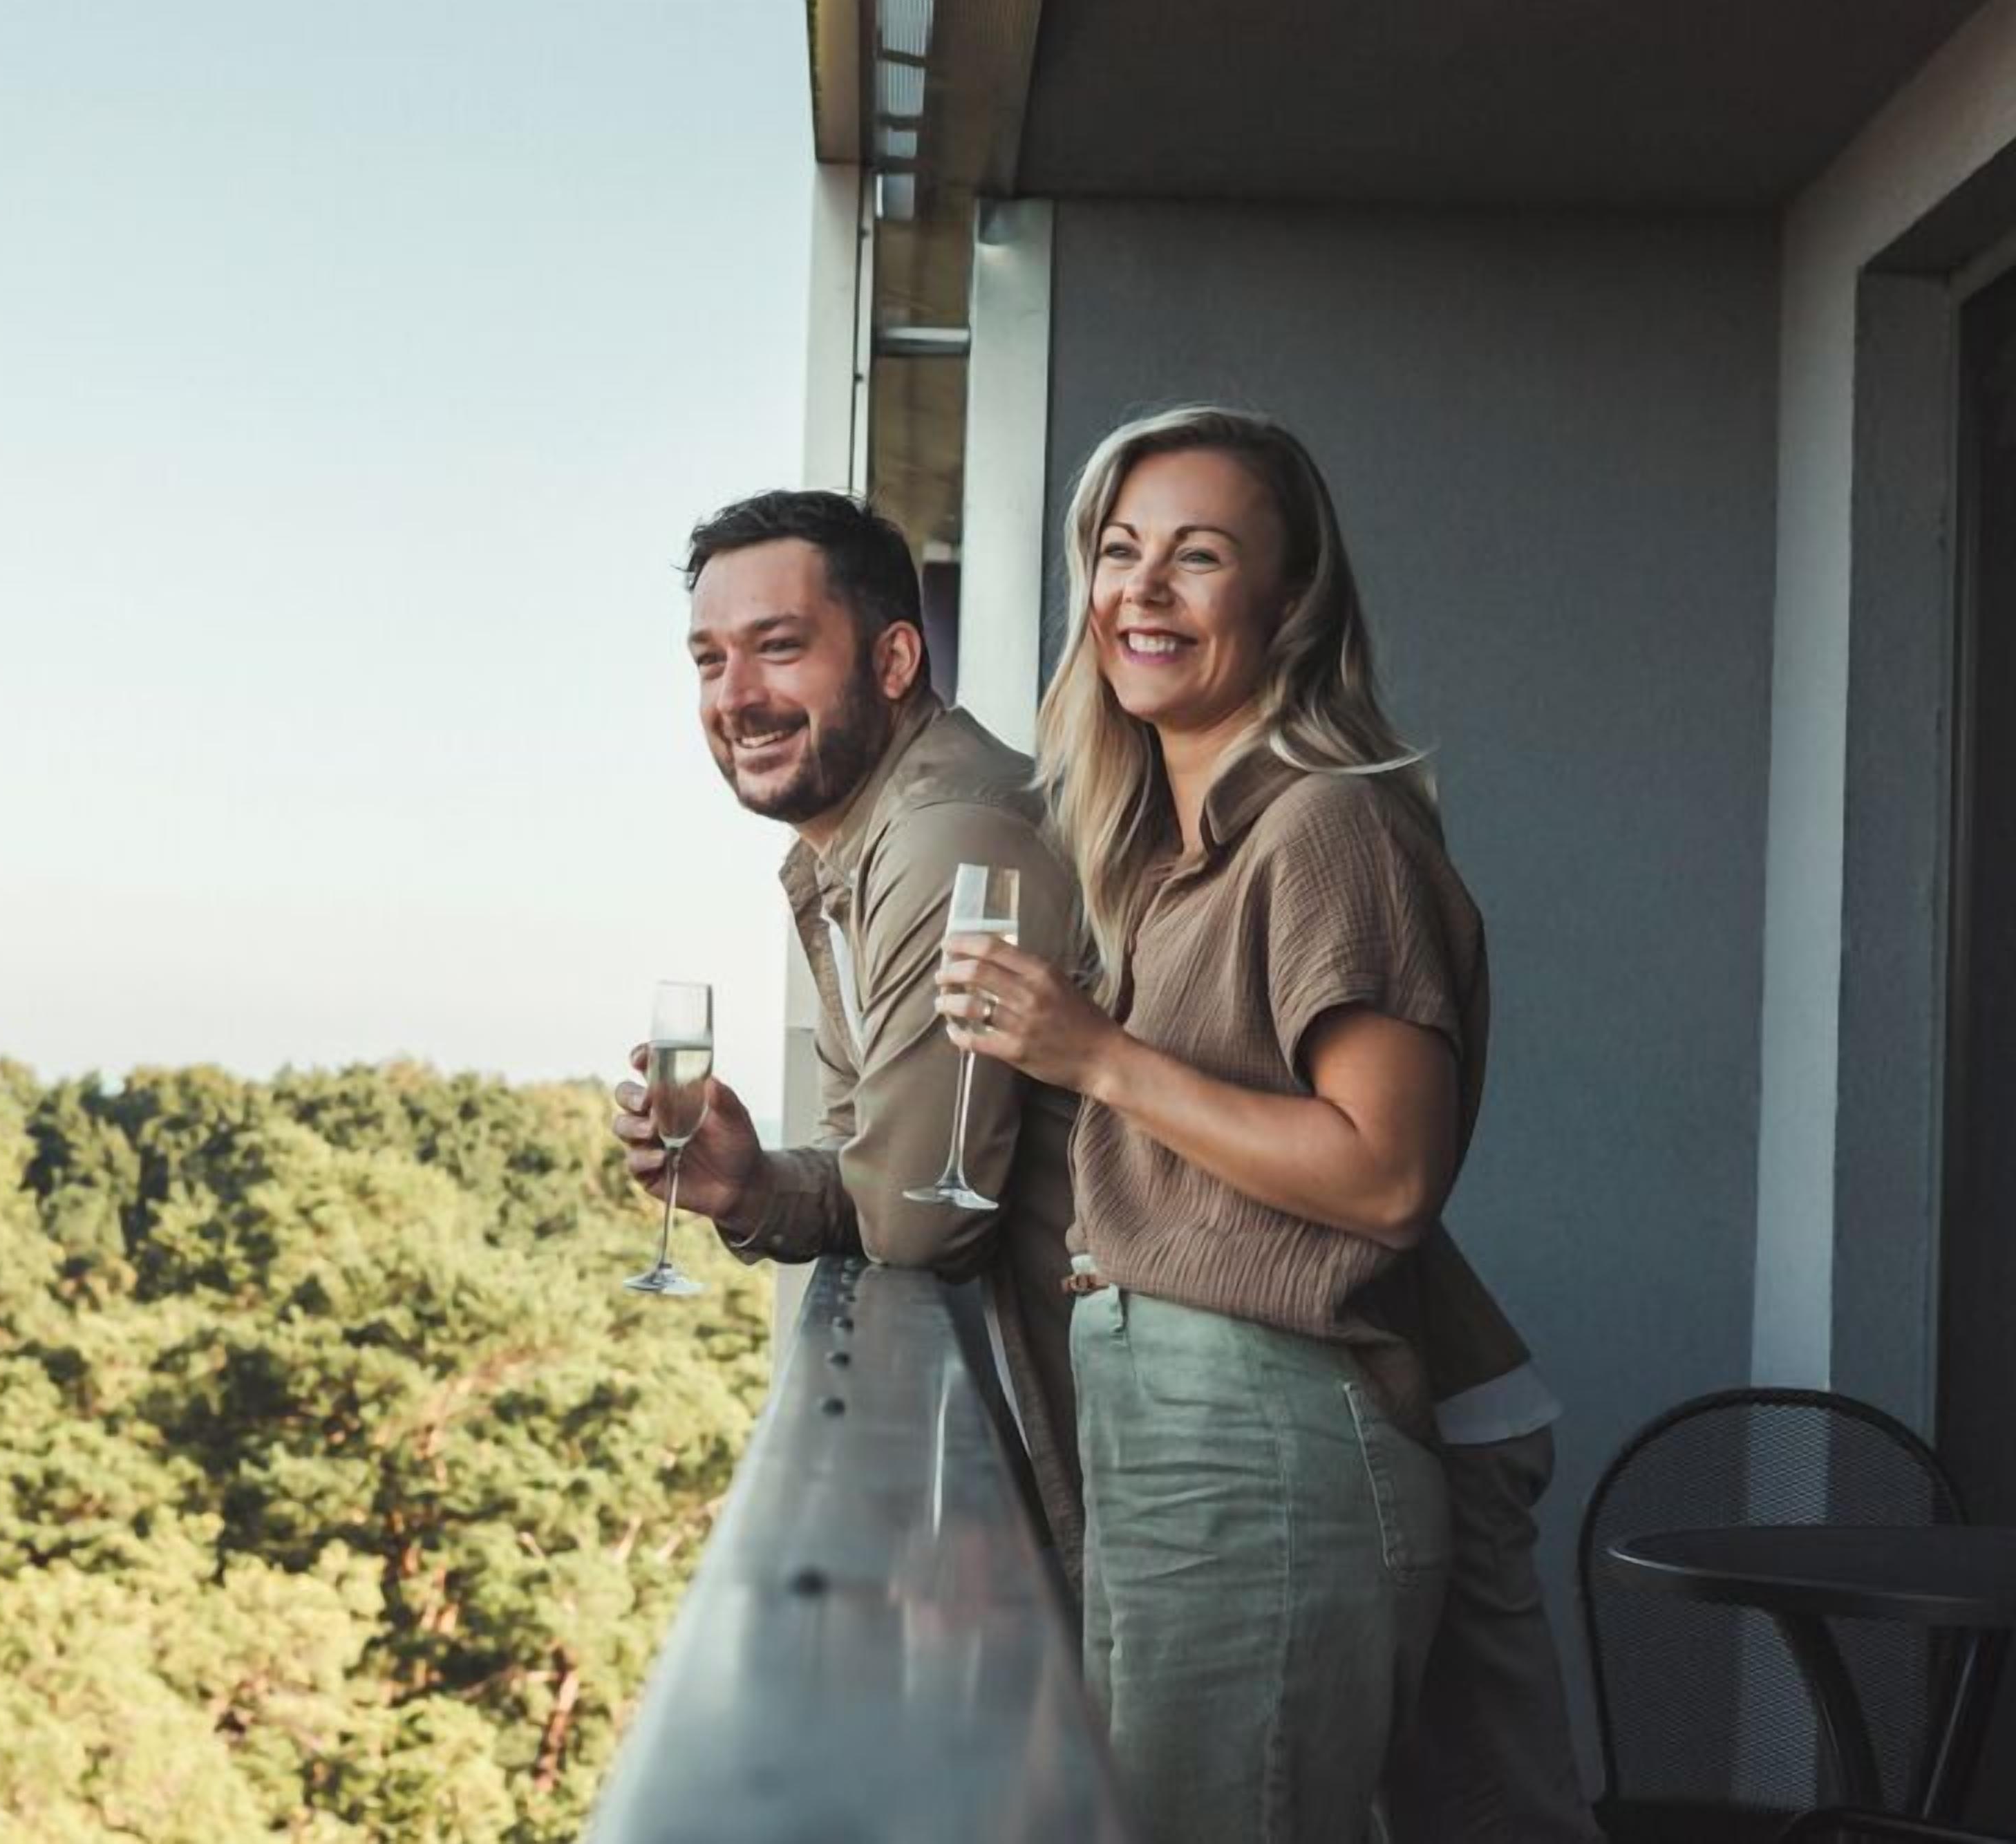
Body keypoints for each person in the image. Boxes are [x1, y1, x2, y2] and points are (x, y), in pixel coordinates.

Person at [937, 404, 1585, 1842]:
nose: (1141, 590)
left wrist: (1093, 1053)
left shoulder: (1323, 829)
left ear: (1288, 603)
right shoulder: (1166, 857)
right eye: (1117, 551)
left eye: (1198, 555)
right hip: (1171, 1411)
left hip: (1263, 1424)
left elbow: (1387, 1168)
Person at [608, 488, 1089, 1588]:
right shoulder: (856, 852)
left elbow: (918, 1226)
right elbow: (875, 1169)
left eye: (779, 649)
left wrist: (856, 1184)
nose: (736, 697)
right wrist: (750, 1185)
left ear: (893, 661)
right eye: (708, 660)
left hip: (1267, 1448)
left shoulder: (948, 839)